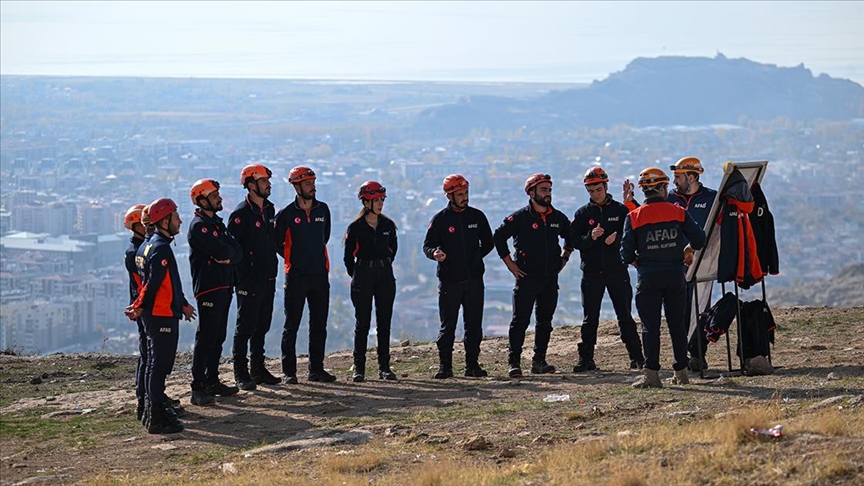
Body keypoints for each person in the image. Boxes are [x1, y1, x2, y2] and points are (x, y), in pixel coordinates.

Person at [620, 168, 706, 388]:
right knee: (677, 324)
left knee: (650, 326)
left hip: (649, 276)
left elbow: (626, 254)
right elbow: (700, 238)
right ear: (662, 188)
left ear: (644, 190)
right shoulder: (678, 212)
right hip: (675, 275)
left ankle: (651, 375)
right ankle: (681, 373)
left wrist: (639, 263)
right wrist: (688, 249)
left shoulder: (634, 216)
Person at [125, 198, 195, 433]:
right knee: (159, 366)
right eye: (176, 217)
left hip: (157, 312)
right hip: (160, 313)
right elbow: (153, 284)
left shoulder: (147, 245)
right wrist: (140, 306)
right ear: (165, 221)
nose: (180, 221)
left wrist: (181, 304)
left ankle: (151, 411)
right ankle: (156, 416)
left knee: (154, 364)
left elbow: (158, 282)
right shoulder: (160, 247)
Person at [493, 173, 573, 378]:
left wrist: (565, 258)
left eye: (549, 190)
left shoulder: (557, 217)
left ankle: (539, 361)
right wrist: (510, 265)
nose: (548, 194)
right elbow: (499, 237)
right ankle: (514, 363)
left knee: (545, 321)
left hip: (550, 278)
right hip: (526, 278)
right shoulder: (520, 218)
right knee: (520, 321)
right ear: (531, 193)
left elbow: (571, 236)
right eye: (543, 190)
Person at [569, 167, 644, 372]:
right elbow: (575, 240)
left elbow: (637, 227)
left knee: (625, 316)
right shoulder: (583, 213)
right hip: (592, 273)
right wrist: (591, 237)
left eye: (598, 190)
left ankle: (637, 357)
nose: (595, 194)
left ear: (606, 186)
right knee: (590, 318)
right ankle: (586, 359)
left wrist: (616, 240)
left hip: (617, 271)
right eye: (591, 191)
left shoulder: (620, 210)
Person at [423, 174, 494, 379]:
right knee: (448, 327)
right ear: (449, 196)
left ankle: (472, 366)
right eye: (460, 194)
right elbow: (427, 246)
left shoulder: (477, 216)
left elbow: (488, 243)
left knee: (474, 326)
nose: (465, 198)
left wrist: (474, 258)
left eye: (466, 193)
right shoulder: (440, 219)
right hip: (450, 282)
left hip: (474, 281)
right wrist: (435, 254)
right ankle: (445, 367)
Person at [274, 166, 336, 383]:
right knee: (292, 324)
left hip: (320, 275)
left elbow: (324, 237)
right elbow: (278, 243)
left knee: (319, 324)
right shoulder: (286, 215)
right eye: (308, 183)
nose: (313, 187)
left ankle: (316, 370)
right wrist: (295, 259)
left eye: (313, 183)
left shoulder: (323, 210)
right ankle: (289, 372)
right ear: (296, 186)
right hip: (296, 276)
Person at [188, 179, 243, 406]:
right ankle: (197, 387)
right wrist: (227, 254)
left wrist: (228, 256)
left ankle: (212, 379)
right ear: (202, 201)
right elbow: (222, 250)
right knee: (206, 336)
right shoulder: (199, 226)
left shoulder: (218, 224)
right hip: (209, 287)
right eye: (214, 196)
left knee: (218, 335)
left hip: (225, 284)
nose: (219, 198)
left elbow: (237, 251)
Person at [228, 163, 282, 390]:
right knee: (245, 327)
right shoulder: (240, 214)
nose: (269, 184)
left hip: (268, 277)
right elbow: (233, 250)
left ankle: (258, 370)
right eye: (263, 181)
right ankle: (240, 373)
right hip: (248, 280)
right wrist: (242, 279)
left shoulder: (269, 209)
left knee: (262, 325)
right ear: (251, 185)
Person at [343, 181, 398, 382]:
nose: (380, 203)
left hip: (385, 275)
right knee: (362, 324)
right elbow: (348, 257)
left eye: (382, 199)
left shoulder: (388, 225)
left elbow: (393, 250)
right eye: (376, 200)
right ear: (366, 202)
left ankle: (384, 367)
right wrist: (359, 274)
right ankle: (359, 368)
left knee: (384, 323)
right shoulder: (355, 227)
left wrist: (382, 267)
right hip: (363, 275)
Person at [667, 156, 718, 372]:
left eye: (678, 177)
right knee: (679, 311)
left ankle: (698, 354)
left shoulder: (712, 198)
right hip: (675, 265)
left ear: (691, 177)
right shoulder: (669, 198)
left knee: (700, 309)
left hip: (703, 263)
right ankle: (681, 355)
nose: (674, 181)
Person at [123, 204, 148, 421]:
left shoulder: (142, 247)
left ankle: (151, 395)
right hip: (143, 307)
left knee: (150, 354)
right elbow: (142, 284)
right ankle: (144, 399)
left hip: (143, 305)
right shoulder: (135, 252)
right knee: (148, 355)